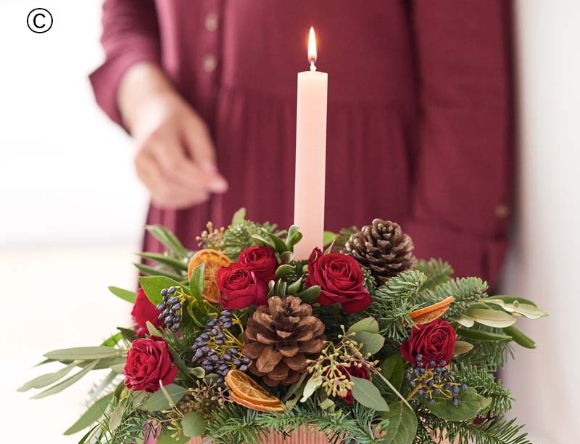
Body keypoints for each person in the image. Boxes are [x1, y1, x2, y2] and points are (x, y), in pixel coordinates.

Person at [90, 0, 513, 287]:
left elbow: (469, 93)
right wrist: (145, 97)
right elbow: (128, 12)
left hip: (360, 229)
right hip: (192, 220)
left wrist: (428, 287)